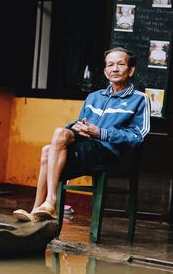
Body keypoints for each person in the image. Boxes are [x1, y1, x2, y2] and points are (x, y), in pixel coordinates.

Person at [13, 47, 150, 222]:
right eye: (110, 65)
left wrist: (101, 133)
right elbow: (80, 124)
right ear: (105, 72)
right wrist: (77, 127)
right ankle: (41, 206)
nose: (115, 68)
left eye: (120, 64)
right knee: (56, 138)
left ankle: (45, 204)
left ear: (131, 70)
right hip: (87, 147)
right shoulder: (94, 97)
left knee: (49, 153)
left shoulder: (139, 99)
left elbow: (138, 135)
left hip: (108, 152)